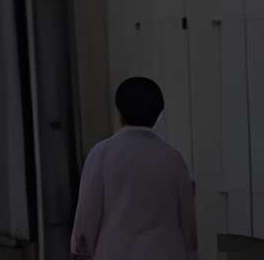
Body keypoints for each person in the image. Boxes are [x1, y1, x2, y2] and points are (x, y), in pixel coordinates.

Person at [71, 78, 197, 260]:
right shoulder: (173, 158)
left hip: (115, 251)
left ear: (119, 111)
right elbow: (187, 221)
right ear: (158, 114)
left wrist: (79, 250)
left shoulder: (102, 153)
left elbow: (87, 213)